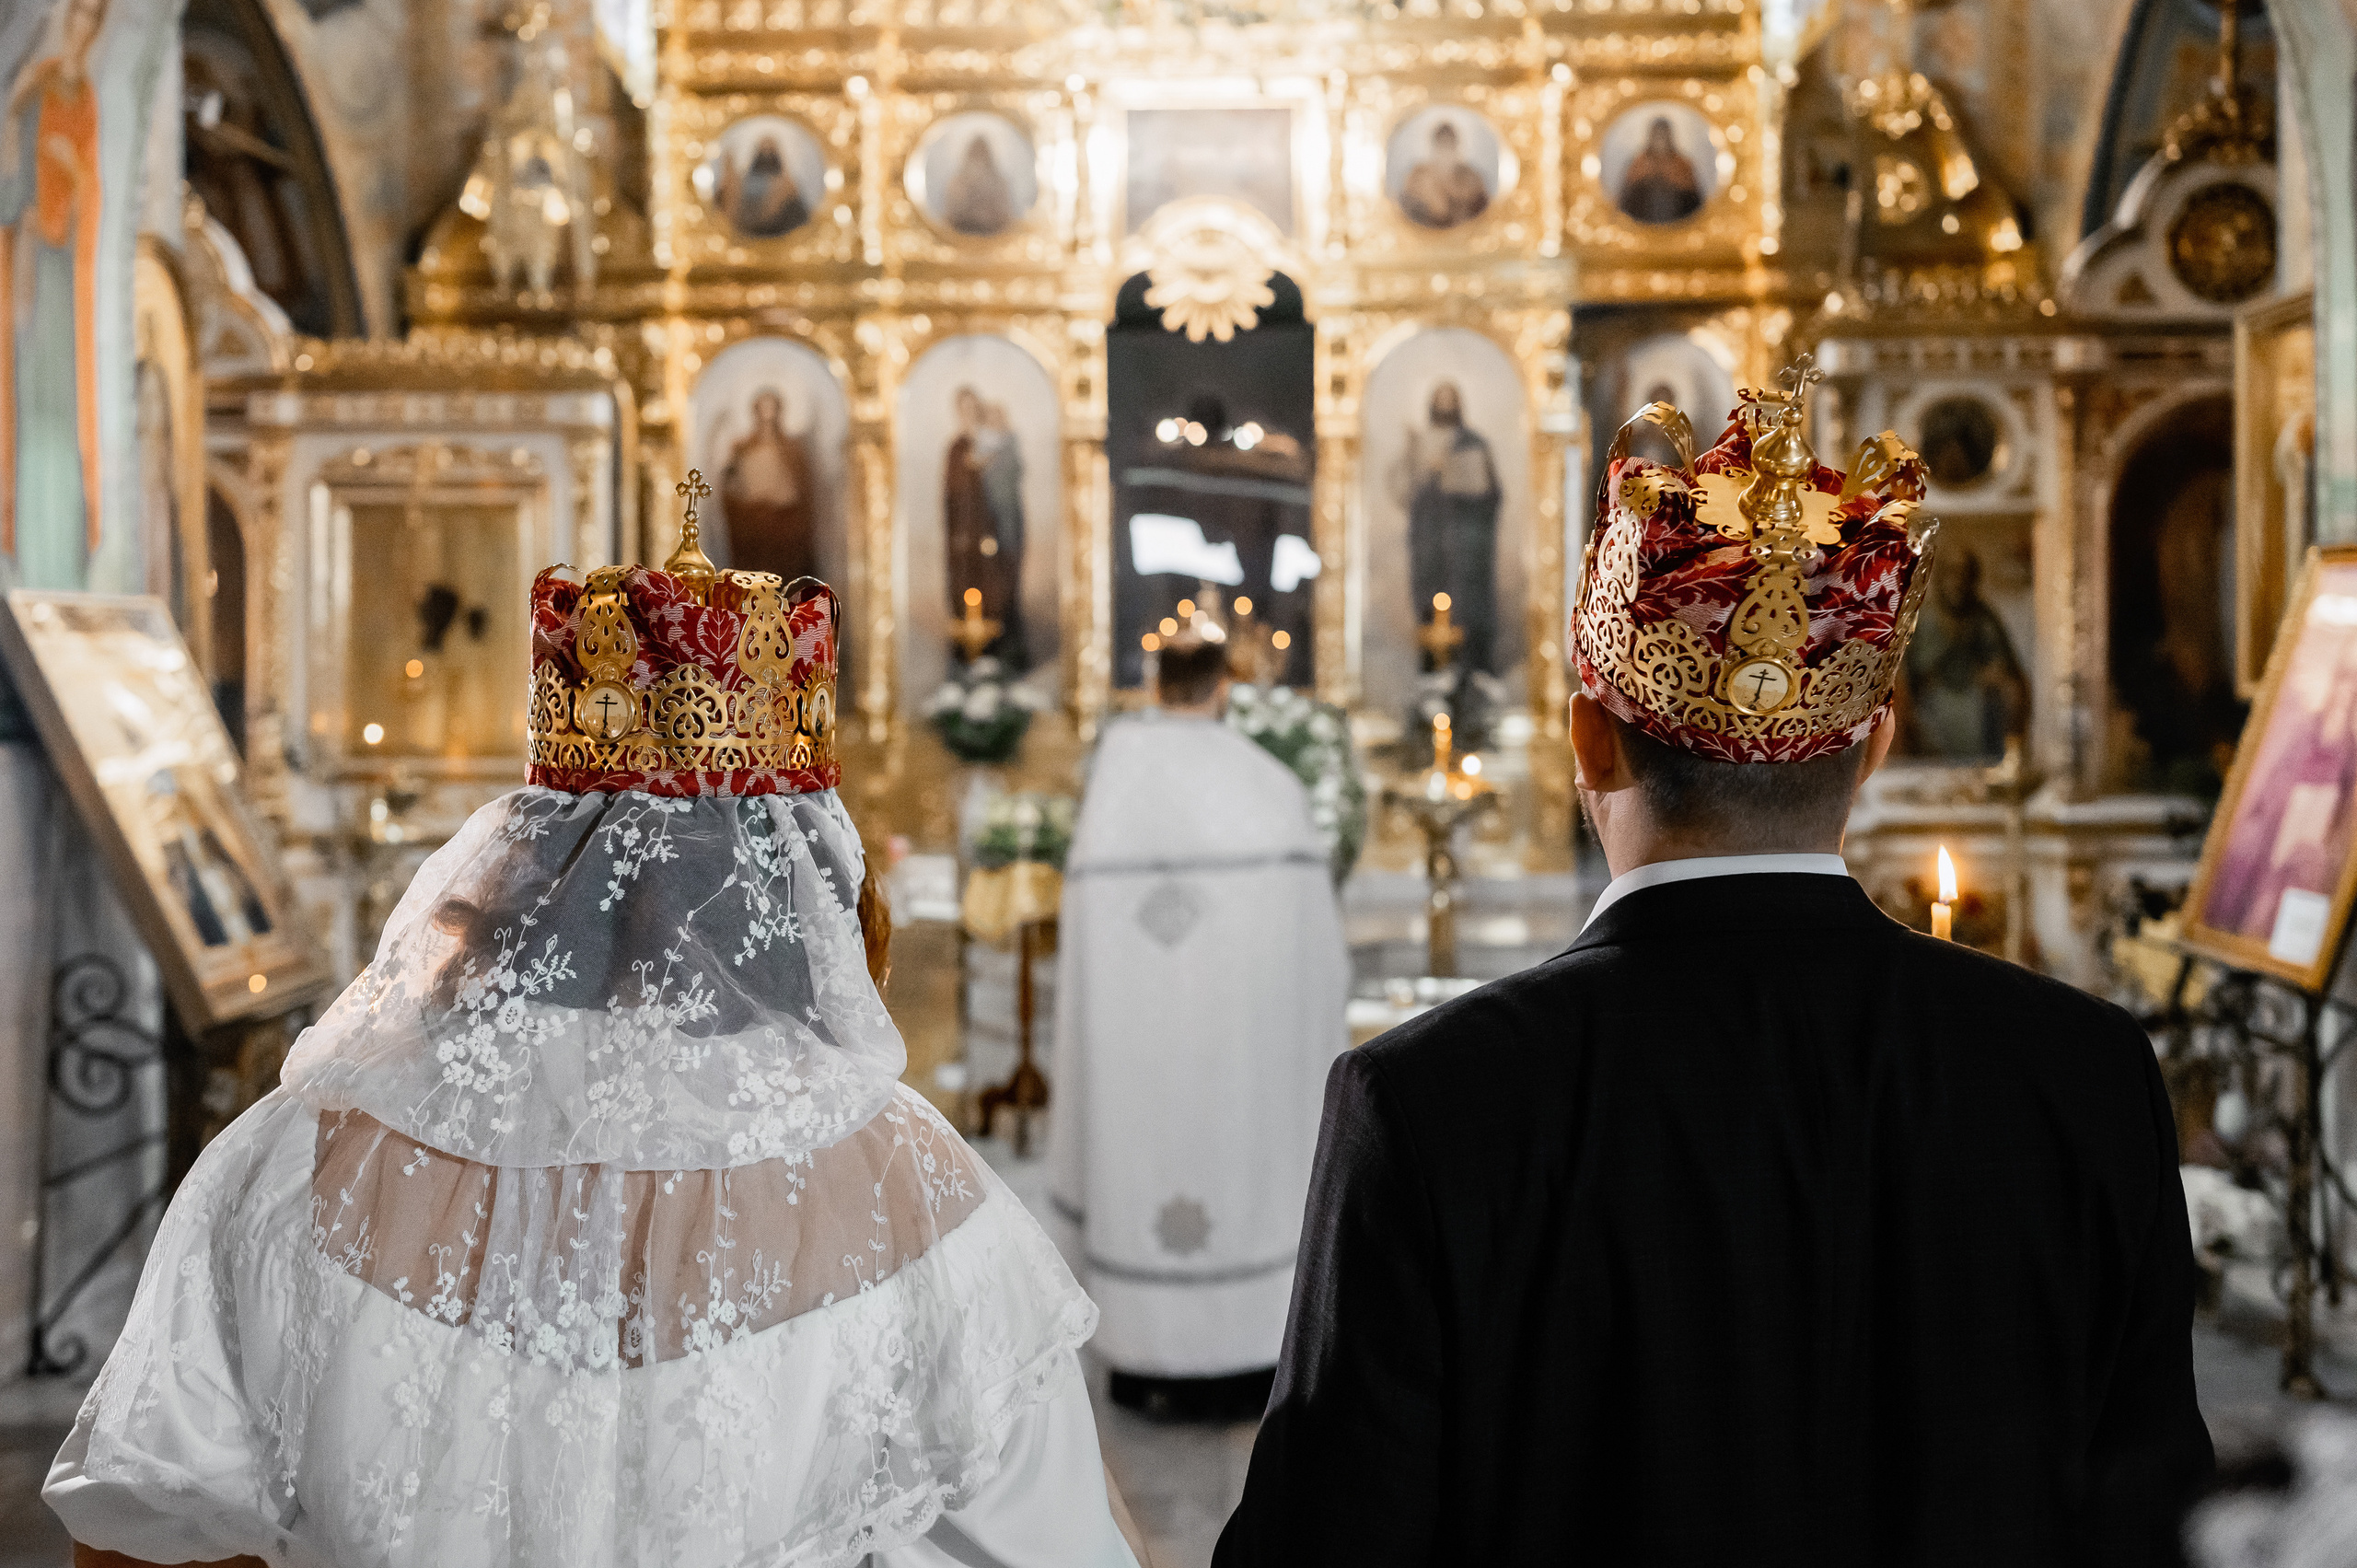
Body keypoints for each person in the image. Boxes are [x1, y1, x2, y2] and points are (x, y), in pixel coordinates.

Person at [1215, 378, 2212, 1564]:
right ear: (1878, 739)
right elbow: (2165, 1522)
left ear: (1590, 735)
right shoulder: (2085, 1072)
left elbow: (1324, 1541)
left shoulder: (1428, 1104)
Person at [46, 558, 1146, 1568]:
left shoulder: (291, 1152)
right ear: (805, 880)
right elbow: (1056, 1544)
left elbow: (140, 1526)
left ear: (524, 858)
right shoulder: (913, 1185)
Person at [1049, 630, 1350, 1421]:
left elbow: (1082, 953)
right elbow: (1315, 954)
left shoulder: (1113, 793)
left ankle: (1149, 1355)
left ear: (1154, 686)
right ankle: (1246, 1350)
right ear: (1223, 687)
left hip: (1137, 1051)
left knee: (1143, 1148)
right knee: (1246, 1160)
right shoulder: (1269, 787)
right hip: (1240, 1058)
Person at [1400, 379, 1503, 675]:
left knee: (1468, 606)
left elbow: (1492, 494)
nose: (1445, 405)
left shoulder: (1473, 442)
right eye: (1440, 399)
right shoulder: (1418, 442)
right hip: (1429, 538)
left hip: (1465, 544)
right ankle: (1431, 673)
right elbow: (1404, 491)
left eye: (1450, 399)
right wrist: (1418, 467)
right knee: (1428, 600)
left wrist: (1462, 483)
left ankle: (1472, 673)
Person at [1900, 548, 2028, 758]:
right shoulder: (1925, 618)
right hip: (1934, 700)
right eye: (1951, 572)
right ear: (1940, 577)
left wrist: (1990, 673)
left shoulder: (1982, 616)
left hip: (1977, 697)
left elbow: (2001, 663)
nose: (1957, 581)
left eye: (1964, 573)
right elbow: (1911, 672)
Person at [945, 385, 1024, 665]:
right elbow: (952, 497)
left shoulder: (995, 444)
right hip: (965, 538)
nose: (969, 415)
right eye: (963, 409)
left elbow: (1007, 490)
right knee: (966, 590)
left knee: (998, 591)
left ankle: (1002, 655)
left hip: (994, 533)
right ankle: (969, 658)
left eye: (973, 409)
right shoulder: (958, 448)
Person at [719, 386, 819, 583]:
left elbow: (804, 492)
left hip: (785, 526)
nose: (767, 412)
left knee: (785, 580)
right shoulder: (742, 448)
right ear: (754, 410)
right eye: (762, 407)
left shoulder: (792, 449)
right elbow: (730, 488)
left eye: (771, 406)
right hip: (752, 527)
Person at [1396, 119, 1488, 229]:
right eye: (1442, 145)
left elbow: (1482, 216)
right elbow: (1405, 214)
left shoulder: (1471, 179)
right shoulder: (1417, 177)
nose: (1445, 152)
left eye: (1449, 146)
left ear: (1456, 148)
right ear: (1434, 147)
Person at [715, 131, 809, 237]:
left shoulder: (787, 185)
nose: (767, 152)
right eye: (763, 148)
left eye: (771, 149)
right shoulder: (742, 181)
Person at [1618, 114, 1704, 224]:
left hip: (1676, 226)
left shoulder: (1682, 165)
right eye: (1657, 135)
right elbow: (1625, 201)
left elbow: (1694, 203)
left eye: (1663, 136)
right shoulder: (1638, 163)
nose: (1660, 140)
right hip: (1644, 226)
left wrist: (1672, 184)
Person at [941, 131, 1016, 236]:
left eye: (982, 152)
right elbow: (950, 216)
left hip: (992, 237)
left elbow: (1005, 216)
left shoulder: (1000, 183)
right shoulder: (957, 181)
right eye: (975, 152)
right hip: (962, 237)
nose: (978, 157)